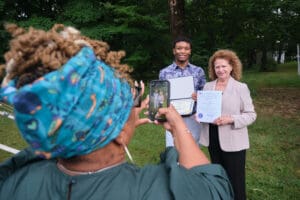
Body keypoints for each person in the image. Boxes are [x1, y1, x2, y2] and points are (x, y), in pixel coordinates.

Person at [0, 24, 234, 200]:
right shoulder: (153, 190)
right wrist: (178, 126)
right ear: (120, 133)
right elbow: (213, 186)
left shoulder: (15, 182)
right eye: (127, 109)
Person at [199, 49, 257, 200]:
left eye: (224, 66)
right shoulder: (207, 86)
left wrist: (231, 119)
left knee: (236, 180)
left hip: (233, 140)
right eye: (217, 67)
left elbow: (251, 115)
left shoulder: (240, 87)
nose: (220, 70)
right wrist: (199, 116)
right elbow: (205, 111)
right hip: (212, 138)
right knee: (219, 176)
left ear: (232, 67)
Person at [159, 36, 206, 147]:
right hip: (173, 117)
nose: (182, 51)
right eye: (179, 48)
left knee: (193, 149)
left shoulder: (198, 71)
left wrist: (199, 96)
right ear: (174, 50)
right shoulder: (164, 72)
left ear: (190, 51)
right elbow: (161, 97)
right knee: (173, 149)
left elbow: (204, 94)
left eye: (186, 48)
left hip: (193, 118)